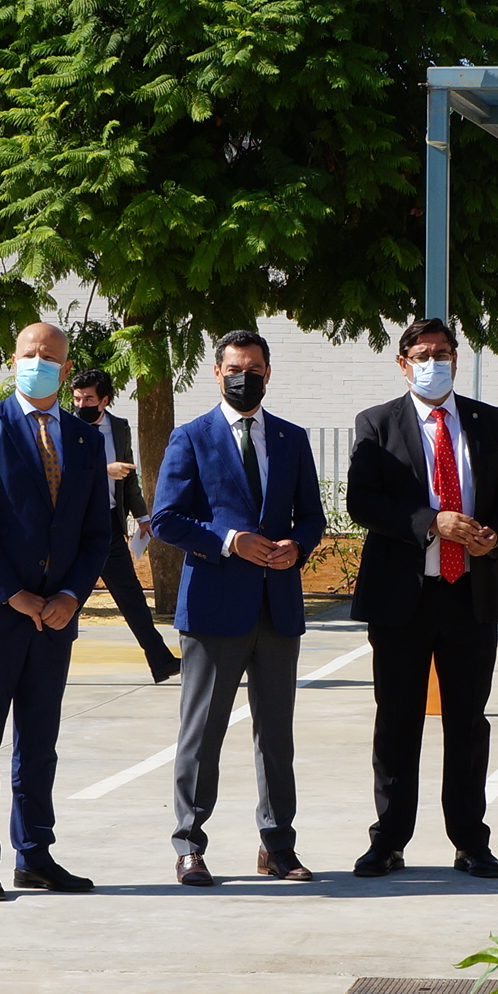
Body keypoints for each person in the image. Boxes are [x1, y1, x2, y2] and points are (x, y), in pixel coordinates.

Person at [346, 319, 498, 880]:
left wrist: (494, 533)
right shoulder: (377, 423)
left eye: (443, 353)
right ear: (403, 363)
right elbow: (363, 501)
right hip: (404, 598)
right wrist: (432, 523)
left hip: (469, 594)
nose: (434, 362)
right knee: (397, 722)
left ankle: (470, 840)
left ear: (457, 357)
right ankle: (389, 840)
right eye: (422, 354)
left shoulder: (488, 420)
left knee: (467, 723)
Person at [0, 322, 116, 899]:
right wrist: (16, 594)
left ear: (66, 370)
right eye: (27, 353)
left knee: (39, 745)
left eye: (49, 356)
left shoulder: (86, 440)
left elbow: (97, 535)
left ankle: (34, 855)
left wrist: (69, 598)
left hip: (54, 618)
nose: (37, 361)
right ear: (13, 360)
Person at [149, 330, 326, 886]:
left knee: (276, 735)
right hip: (213, 607)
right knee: (202, 732)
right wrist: (230, 540)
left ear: (268, 373)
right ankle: (189, 844)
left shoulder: (292, 440)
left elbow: (313, 516)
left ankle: (277, 845)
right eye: (233, 368)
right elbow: (167, 518)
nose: (243, 376)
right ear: (217, 373)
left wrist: (298, 545)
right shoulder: (190, 437)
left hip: (277, 606)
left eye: (253, 367)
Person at [69, 367, 181, 683]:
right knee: (69, 597)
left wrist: (143, 517)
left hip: (107, 524)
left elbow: (128, 477)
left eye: (88, 398)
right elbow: (64, 473)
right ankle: (37, 657)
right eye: (76, 398)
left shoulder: (119, 428)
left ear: (104, 400)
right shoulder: (63, 427)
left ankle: (161, 662)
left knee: (130, 595)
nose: (80, 404)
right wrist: (105, 469)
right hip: (73, 527)